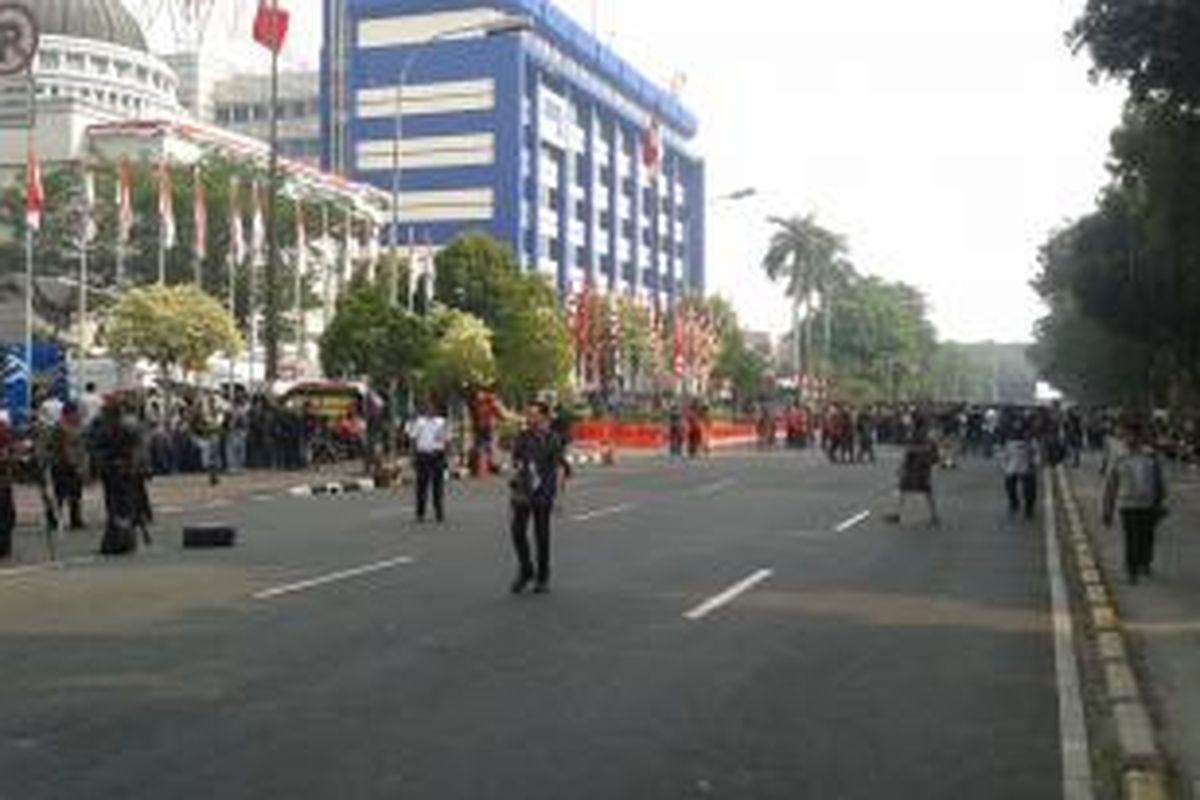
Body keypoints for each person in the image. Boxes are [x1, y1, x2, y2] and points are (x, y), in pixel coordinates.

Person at [508, 401, 572, 594]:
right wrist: (514, 484)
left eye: (533, 415)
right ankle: (526, 569)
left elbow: (560, 468)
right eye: (528, 415)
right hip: (524, 491)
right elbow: (517, 462)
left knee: (541, 535)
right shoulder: (523, 436)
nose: (529, 418)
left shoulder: (553, 438)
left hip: (544, 492)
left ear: (543, 417)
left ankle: (543, 577)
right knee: (517, 531)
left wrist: (559, 497)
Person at [1103, 420, 1168, 584]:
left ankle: (1145, 562)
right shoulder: (1119, 458)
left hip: (1148, 504)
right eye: (1127, 435)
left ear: (1140, 437)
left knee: (1147, 536)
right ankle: (1131, 569)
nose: (1130, 439)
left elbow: (1159, 480)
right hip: (1127, 505)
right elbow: (1111, 485)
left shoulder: (1151, 455)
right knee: (1131, 537)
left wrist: (1160, 501)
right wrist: (1107, 509)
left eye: (1134, 436)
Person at [885, 419, 941, 527]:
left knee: (903, 489)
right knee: (926, 491)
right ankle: (934, 516)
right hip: (923, 467)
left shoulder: (916, 435)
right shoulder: (928, 435)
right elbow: (932, 451)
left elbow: (910, 451)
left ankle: (897, 514)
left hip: (914, 467)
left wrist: (902, 465)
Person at [406, 401, 448, 524]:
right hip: (423, 455)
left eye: (433, 408)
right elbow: (413, 439)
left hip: (437, 455)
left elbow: (446, 440)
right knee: (421, 486)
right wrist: (412, 456)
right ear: (425, 410)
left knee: (438, 485)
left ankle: (439, 512)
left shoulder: (441, 422)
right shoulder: (419, 422)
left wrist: (446, 456)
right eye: (428, 408)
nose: (431, 410)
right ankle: (420, 513)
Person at [50, 402, 88, 530]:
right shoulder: (60, 427)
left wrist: (81, 465)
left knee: (76, 494)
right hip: (62, 465)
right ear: (68, 414)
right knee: (60, 494)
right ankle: (56, 520)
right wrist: (73, 463)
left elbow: (81, 447)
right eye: (76, 413)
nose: (78, 415)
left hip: (74, 465)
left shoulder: (78, 425)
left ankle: (75, 519)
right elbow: (62, 448)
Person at [1002, 420, 1038, 519]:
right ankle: (1014, 502)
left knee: (1029, 490)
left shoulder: (1030, 441)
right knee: (1010, 487)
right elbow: (1006, 455)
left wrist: (1034, 463)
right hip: (1012, 467)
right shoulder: (1009, 440)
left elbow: (1036, 453)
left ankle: (1029, 508)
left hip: (1027, 467)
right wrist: (1005, 466)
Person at [0, 413, 16, 560]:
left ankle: (6, 547)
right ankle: (4, 548)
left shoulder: (7, 440)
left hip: (5, 483)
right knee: (5, 516)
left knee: (9, 515)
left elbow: (12, 456)